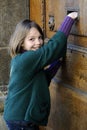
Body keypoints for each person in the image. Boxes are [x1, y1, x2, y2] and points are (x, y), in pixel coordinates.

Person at [3, 12, 78, 130]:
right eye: (31, 39)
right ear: (21, 42)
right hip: (21, 120)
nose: (38, 42)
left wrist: (57, 62)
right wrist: (69, 19)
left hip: (20, 117)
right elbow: (53, 48)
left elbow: (43, 79)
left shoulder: (26, 59)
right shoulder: (26, 59)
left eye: (39, 38)